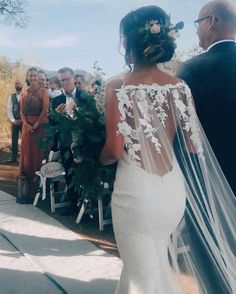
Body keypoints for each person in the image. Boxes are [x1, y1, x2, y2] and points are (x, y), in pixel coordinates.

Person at [100, 5, 236, 294]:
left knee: (142, 278)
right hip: (172, 192)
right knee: (152, 267)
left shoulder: (117, 86)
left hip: (136, 193)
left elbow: (113, 151)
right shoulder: (180, 87)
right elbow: (191, 143)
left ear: (128, 42)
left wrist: (95, 156)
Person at [177, 0, 236, 196]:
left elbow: (183, 136)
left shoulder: (192, 69)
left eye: (198, 22)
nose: (196, 31)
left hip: (214, 184)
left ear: (211, 21)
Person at [20, 67, 49, 203]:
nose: (32, 78)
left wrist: (36, 125)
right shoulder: (23, 93)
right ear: (27, 77)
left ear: (38, 77)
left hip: (40, 126)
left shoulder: (44, 91)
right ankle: (26, 191)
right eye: (30, 75)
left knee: (37, 156)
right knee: (26, 157)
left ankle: (38, 190)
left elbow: (45, 109)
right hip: (26, 128)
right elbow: (21, 112)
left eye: (35, 76)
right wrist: (26, 124)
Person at [7, 79, 23, 163]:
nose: (17, 84)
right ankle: (13, 158)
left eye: (19, 83)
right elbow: (9, 110)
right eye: (16, 83)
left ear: (22, 84)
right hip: (15, 121)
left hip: (24, 122)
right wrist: (13, 120)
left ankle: (24, 158)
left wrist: (23, 120)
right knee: (14, 140)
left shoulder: (25, 95)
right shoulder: (11, 96)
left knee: (25, 140)